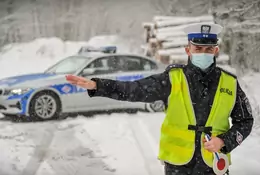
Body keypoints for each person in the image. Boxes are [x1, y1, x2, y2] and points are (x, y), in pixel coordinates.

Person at [65, 23, 254, 175]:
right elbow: (134, 89)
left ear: (216, 51)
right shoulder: (172, 78)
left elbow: (245, 121)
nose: (203, 53)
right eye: (198, 48)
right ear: (188, 50)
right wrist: (98, 85)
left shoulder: (230, 83)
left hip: (214, 165)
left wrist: (224, 141)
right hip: (178, 166)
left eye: (208, 48)